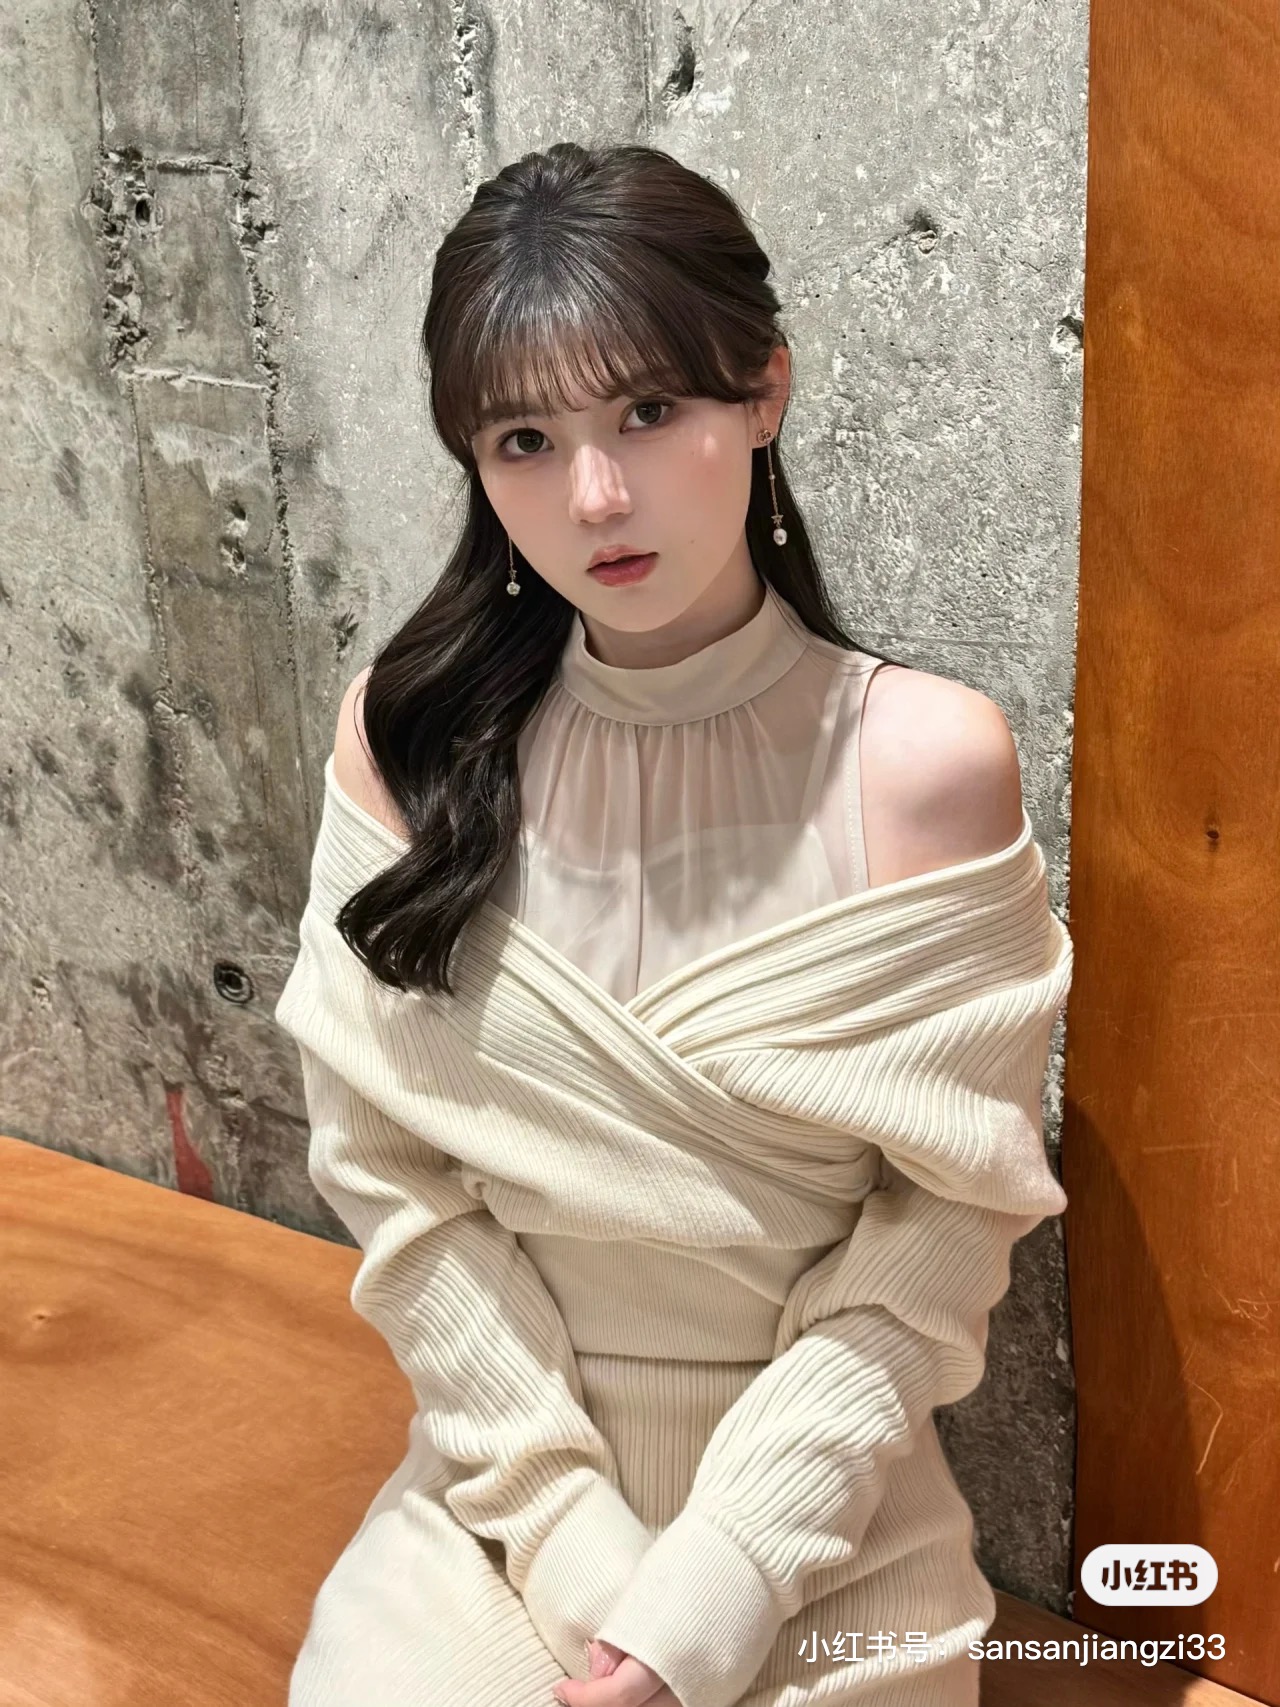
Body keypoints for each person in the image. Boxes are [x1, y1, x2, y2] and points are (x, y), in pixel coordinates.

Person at [275, 140, 1073, 1707]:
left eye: (648, 412)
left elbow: (940, 1236)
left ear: (764, 392)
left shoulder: (927, 768)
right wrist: (580, 1552)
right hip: (496, 1499)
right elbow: (396, 1192)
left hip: (829, 1518)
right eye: (525, 438)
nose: (594, 497)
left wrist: (716, 1582)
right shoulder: (406, 745)